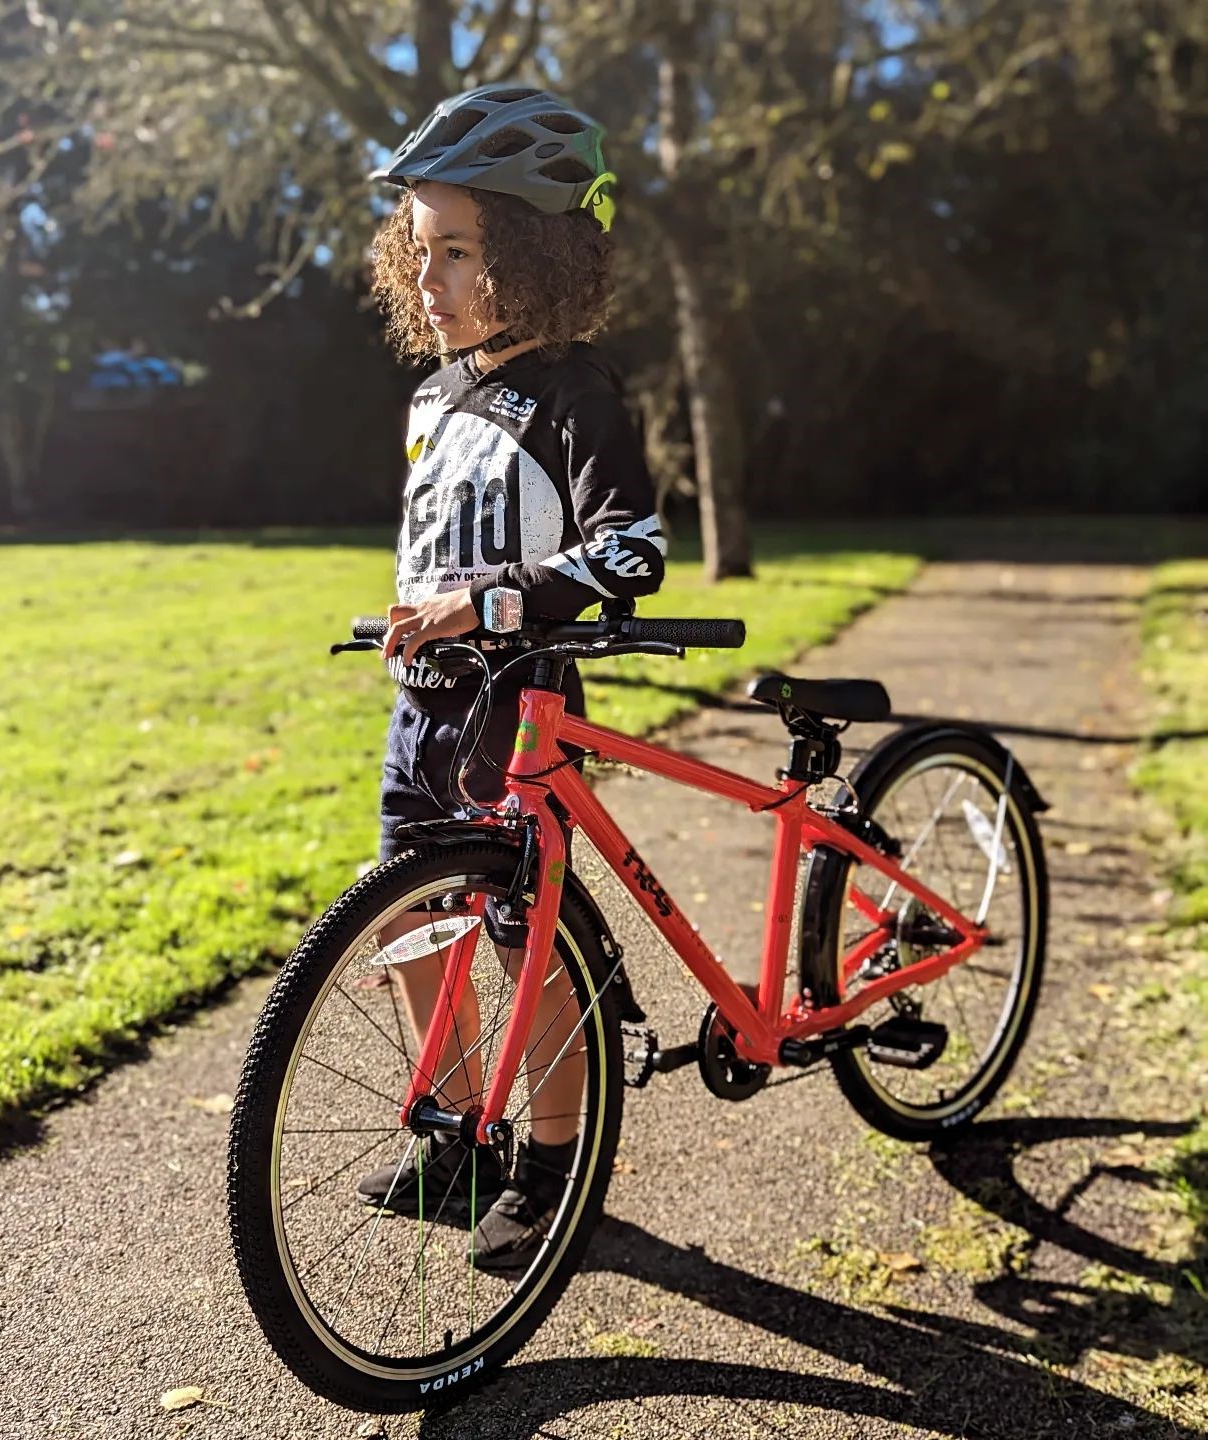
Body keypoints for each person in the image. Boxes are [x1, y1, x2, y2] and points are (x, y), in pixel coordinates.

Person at [354, 84, 666, 1268]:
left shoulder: (578, 392)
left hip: (519, 717)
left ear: (533, 258)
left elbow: (630, 547)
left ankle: (546, 1162)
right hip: (422, 716)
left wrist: (487, 604)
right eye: (417, 250)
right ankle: (458, 1139)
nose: (427, 278)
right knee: (413, 930)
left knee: (522, 940)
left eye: (458, 252)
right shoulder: (435, 397)